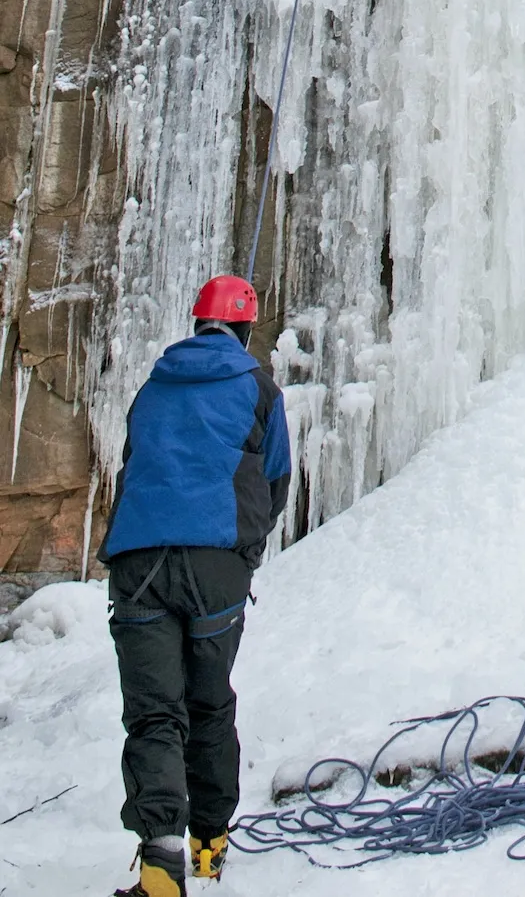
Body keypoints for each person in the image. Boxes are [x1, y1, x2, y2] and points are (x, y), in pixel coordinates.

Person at [103, 276, 291, 895]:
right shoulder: (258, 388)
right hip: (214, 565)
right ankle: (209, 845)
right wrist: (247, 553)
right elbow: (275, 481)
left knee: (155, 714)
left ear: (197, 323)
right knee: (208, 703)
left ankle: (160, 869)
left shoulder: (153, 387)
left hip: (141, 560)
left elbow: (133, 467)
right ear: (244, 328)